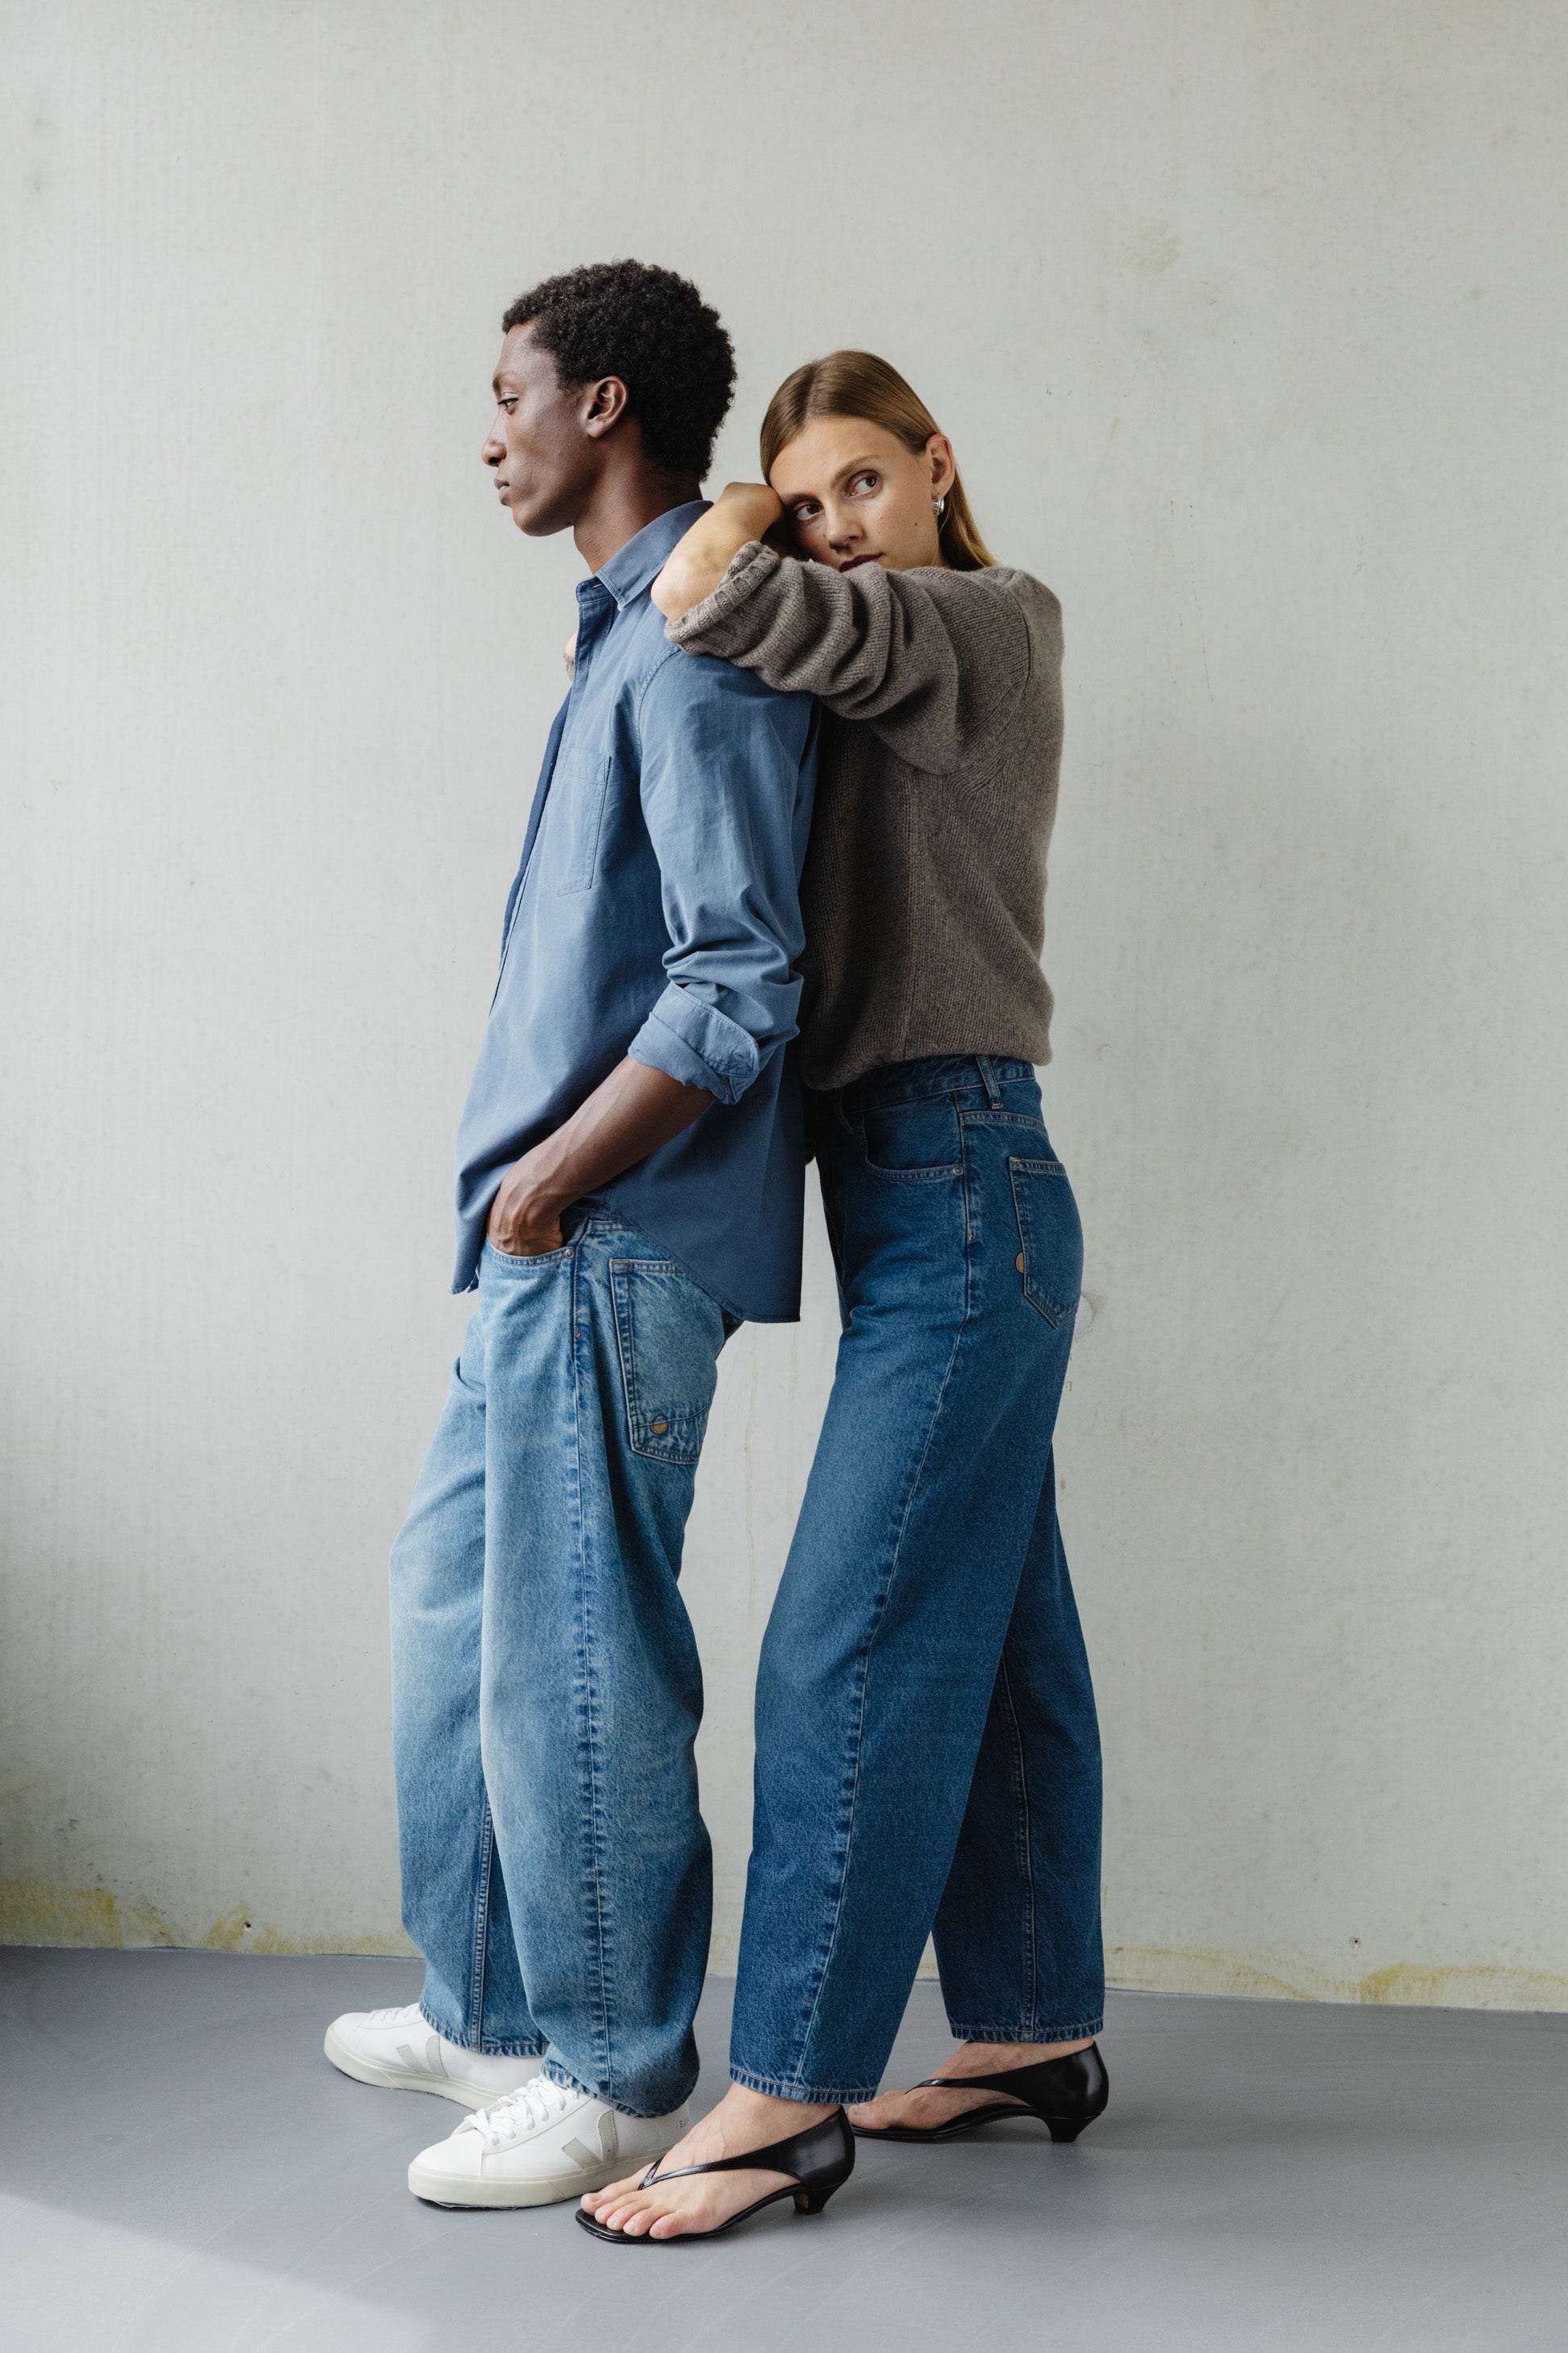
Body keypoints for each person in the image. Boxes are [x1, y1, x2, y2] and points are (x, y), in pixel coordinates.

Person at [580, 352, 1105, 2243]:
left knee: (848, 1639)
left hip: (965, 1181)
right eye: (808, 499)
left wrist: (736, 520)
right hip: (917, 1199)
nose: (833, 526)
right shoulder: (879, 649)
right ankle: (1032, 2027)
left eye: (861, 483)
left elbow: (711, 592)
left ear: (937, 466)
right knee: (1005, 1637)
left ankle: (786, 2092)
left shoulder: (986, 622)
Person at [323, 262, 821, 2213]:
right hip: (538, 1242)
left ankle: (611, 2068)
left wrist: (550, 1181)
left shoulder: (694, 643)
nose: (490, 436)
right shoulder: (618, 633)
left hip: (608, 1232)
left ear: (602, 404)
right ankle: (492, 2008)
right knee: (453, 1610)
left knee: (575, 1655)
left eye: (509, 394)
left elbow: (737, 976)